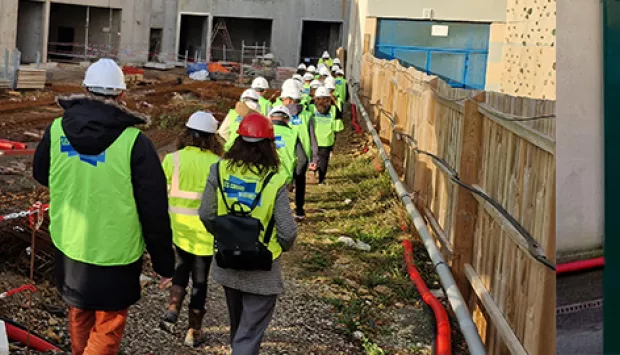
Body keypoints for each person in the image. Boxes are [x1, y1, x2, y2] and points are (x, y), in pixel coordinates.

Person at [32, 58, 175, 355]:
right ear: (122, 95)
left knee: (79, 310)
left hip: (70, 243)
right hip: (116, 253)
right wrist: (164, 264)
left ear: (84, 89)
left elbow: (41, 173)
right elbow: (154, 209)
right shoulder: (135, 143)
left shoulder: (57, 130)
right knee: (108, 324)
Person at [198, 113, 298, 355]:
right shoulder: (273, 180)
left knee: (239, 326)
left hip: (227, 260)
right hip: (262, 267)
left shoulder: (219, 170)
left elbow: (205, 213)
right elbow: (287, 231)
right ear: (269, 145)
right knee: (249, 333)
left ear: (238, 141)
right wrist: (278, 247)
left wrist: (225, 235)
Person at [159, 111, 222, 347]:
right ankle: (193, 330)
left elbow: (159, 192)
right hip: (205, 232)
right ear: (212, 138)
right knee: (200, 280)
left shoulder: (172, 159)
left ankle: (172, 309)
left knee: (180, 268)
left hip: (178, 228)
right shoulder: (217, 164)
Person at [279, 88, 319, 220]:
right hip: (303, 156)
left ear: (289, 99)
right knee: (300, 182)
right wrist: (314, 158)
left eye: (283, 99)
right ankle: (299, 210)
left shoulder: (280, 114)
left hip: (285, 154)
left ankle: (281, 212)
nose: (282, 101)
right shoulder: (307, 115)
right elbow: (313, 138)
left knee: (281, 183)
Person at [310, 87, 344, 185]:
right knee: (324, 159)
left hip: (313, 138)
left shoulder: (311, 107)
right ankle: (321, 180)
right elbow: (338, 127)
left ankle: (313, 171)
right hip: (327, 139)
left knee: (313, 156)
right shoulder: (334, 109)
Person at [268, 106, 304, 185]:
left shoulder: (261, 131)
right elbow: (302, 160)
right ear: (287, 120)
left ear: (270, 118)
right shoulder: (293, 134)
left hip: (264, 178)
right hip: (285, 179)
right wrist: (293, 178)